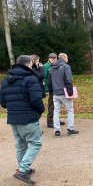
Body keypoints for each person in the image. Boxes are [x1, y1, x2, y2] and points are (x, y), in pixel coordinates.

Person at [0, 55, 45, 185]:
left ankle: (23, 168)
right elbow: (36, 100)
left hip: (13, 117)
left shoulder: (6, 80)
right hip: (28, 117)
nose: (32, 66)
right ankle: (22, 170)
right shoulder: (31, 79)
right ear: (27, 64)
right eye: (31, 64)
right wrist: (40, 110)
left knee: (21, 145)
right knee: (35, 143)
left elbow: (2, 102)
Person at [48, 53, 79, 137]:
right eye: (67, 57)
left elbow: (49, 82)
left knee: (56, 111)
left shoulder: (52, 67)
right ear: (64, 58)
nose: (67, 59)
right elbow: (68, 80)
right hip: (64, 93)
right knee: (70, 110)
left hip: (55, 93)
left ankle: (57, 130)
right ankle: (70, 129)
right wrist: (70, 93)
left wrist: (52, 92)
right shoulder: (66, 67)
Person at [44, 53, 65, 128]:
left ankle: (56, 120)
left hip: (57, 88)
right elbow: (45, 79)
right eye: (52, 58)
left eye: (55, 58)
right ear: (49, 58)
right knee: (51, 106)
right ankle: (50, 122)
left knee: (57, 106)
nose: (54, 59)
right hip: (51, 89)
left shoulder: (56, 65)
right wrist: (46, 90)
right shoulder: (46, 66)